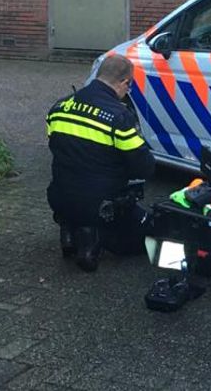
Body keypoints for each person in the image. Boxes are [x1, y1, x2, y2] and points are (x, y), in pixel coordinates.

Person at [46, 54, 155, 272]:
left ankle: (69, 230)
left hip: (58, 197)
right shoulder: (119, 117)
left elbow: (56, 147)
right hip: (100, 206)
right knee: (149, 233)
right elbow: (144, 166)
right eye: (129, 86)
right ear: (125, 82)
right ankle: (91, 239)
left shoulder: (60, 107)